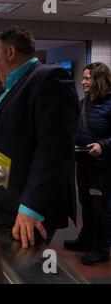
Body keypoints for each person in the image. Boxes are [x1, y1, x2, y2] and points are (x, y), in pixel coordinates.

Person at [0, 26, 79, 248]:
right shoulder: (12, 85)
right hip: (6, 195)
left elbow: (55, 150)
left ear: (11, 53)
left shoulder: (49, 78)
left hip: (27, 205)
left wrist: (31, 207)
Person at [64, 62, 111, 265]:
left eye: (87, 78)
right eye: (82, 78)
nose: (82, 82)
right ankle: (86, 239)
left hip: (103, 166)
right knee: (86, 203)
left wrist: (102, 145)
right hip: (83, 163)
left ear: (98, 81)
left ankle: (102, 248)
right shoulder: (83, 103)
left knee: (101, 208)